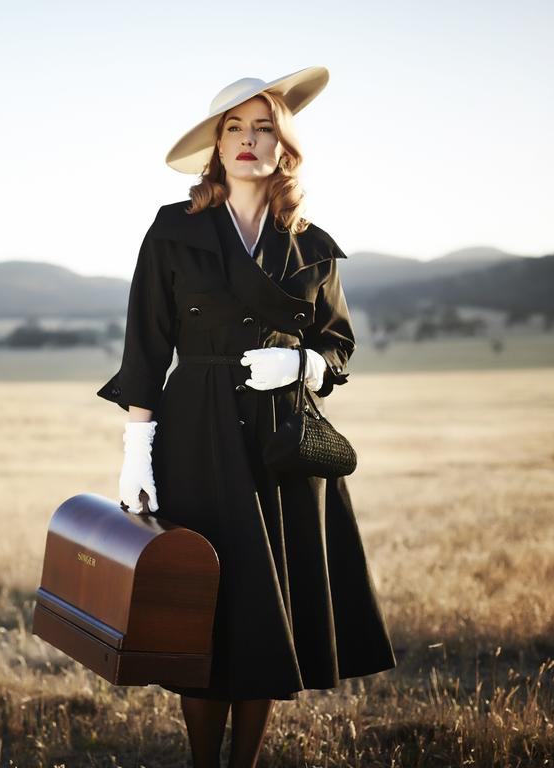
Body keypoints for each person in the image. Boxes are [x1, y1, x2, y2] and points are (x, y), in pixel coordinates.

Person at [97, 66, 396, 768]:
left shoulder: (312, 243)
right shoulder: (176, 230)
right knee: (204, 607)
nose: (248, 141)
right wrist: (136, 449)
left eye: (263, 128)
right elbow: (146, 344)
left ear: (284, 145)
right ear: (216, 143)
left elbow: (337, 343)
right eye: (234, 128)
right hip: (196, 432)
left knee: (267, 610)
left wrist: (305, 367)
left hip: (282, 439)